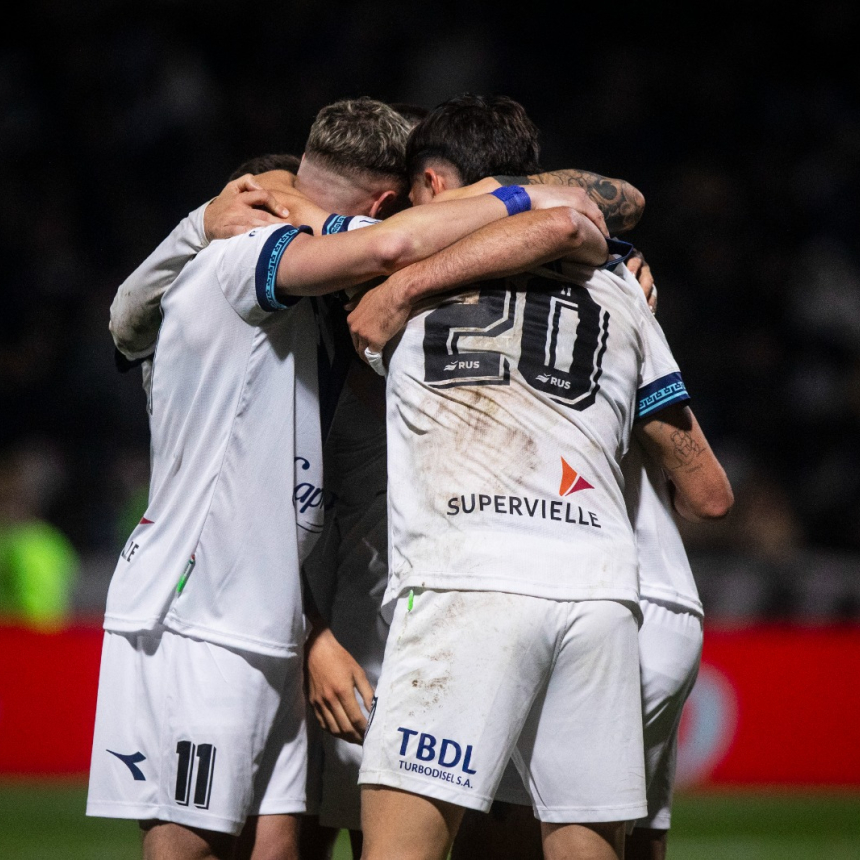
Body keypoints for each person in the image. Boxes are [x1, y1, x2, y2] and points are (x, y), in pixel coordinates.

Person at [91, 94, 611, 860]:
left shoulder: (306, 309)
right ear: (382, 202)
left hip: (272, 619)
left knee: (278, 846)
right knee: (188, 847)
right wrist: (521, 200)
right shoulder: (244, 258)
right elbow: (390, 248)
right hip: (198, 613)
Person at [346, 94, 733, 860]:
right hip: (602, 593)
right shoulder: (619, 281)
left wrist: (396, 286)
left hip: (468, 578)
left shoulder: (393, 254)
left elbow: (301, 219)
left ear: (431, 185)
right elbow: (706, 491)